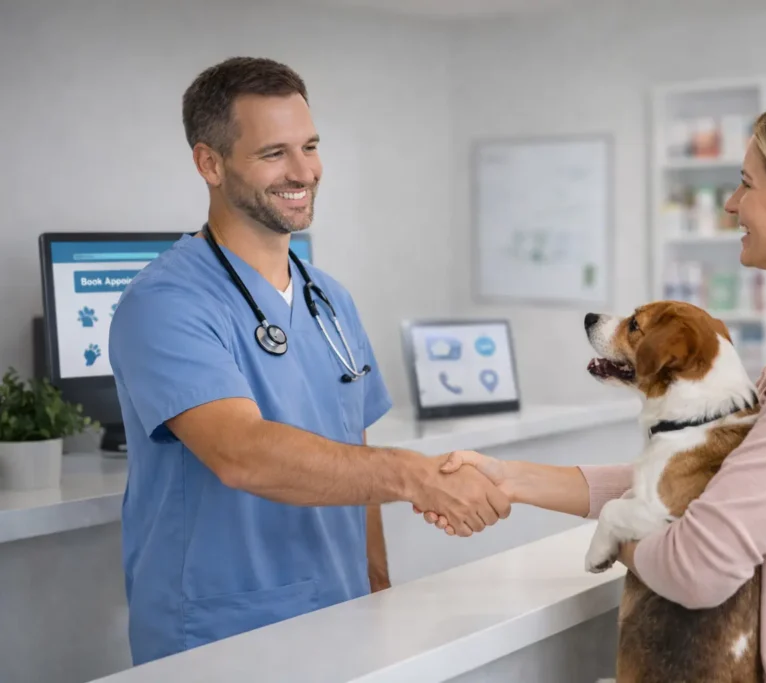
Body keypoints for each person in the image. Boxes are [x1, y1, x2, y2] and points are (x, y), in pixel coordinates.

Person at [416, 89, 766, 682]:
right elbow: (704, 482)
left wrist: (619, 529)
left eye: (747, 184)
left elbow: (698, 566)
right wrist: (511, 479)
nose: (732, 204)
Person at [108, 56, 510, 666]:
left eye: (311, 146)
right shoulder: (164, 303)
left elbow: (356, 449)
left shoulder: (329, 298)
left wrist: (377, 589)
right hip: (221, 634)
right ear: (209, 164)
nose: (304, 172)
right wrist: (415, 475)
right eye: (274, 153)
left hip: (340, 615)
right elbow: (240, 453)